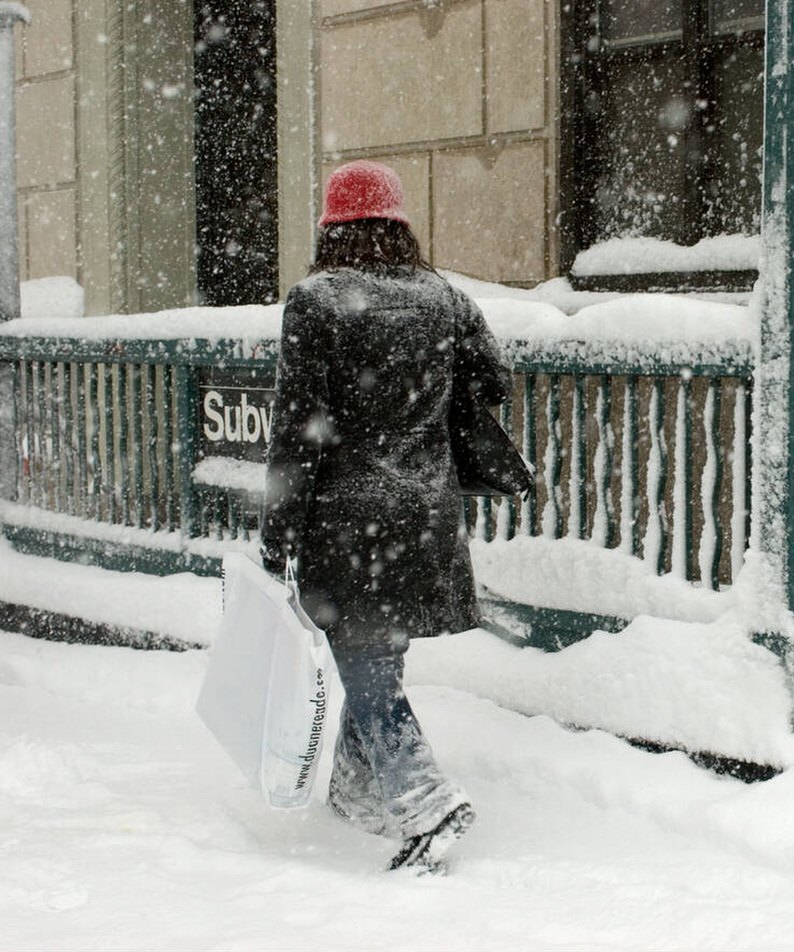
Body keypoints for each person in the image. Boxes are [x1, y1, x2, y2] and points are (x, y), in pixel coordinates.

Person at [260, 160, 511, 874]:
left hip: (348, 519)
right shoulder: (444, 298)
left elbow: (298, 429)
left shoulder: (318, 301)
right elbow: (495, 380)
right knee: (375, 661)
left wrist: (279, 533)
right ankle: (355, 793)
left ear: (331, 228)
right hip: (425, 515)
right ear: (399, 225)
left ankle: (428, 805)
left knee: (367, 668)